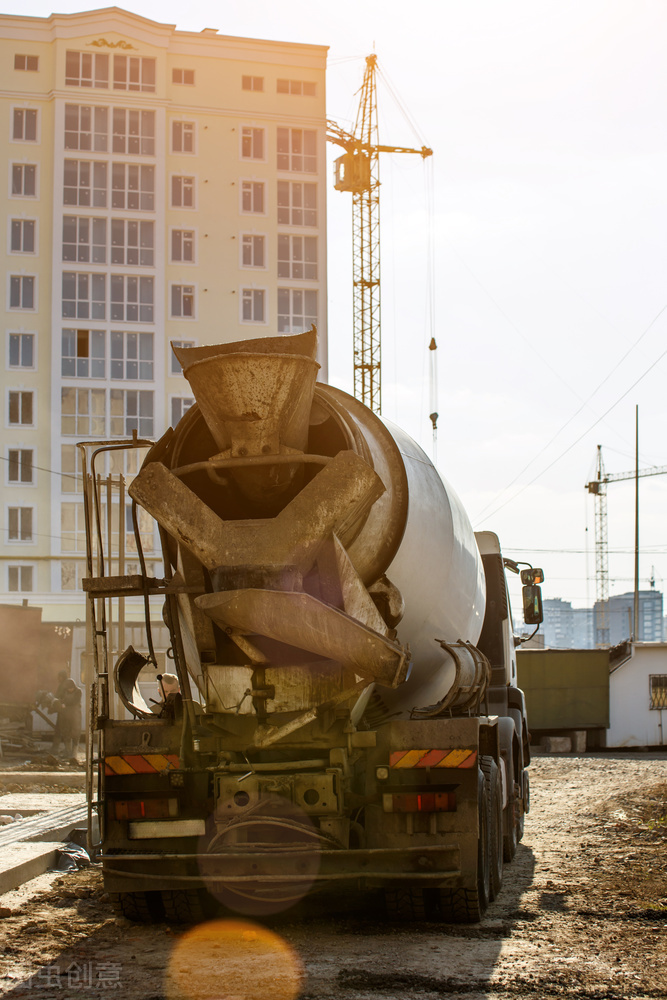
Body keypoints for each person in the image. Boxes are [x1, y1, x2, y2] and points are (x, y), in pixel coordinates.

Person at [51, 679, 82, 759]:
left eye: (71, 688)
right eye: (68, 688)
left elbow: (75, 701)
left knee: (75, 734)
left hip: (75, 715)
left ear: (74, 687)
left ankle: (74, 754)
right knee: (66, 733)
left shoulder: (78, 691)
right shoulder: (65, 691)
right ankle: (68, 752)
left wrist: (65, 704)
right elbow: (60, 699)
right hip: (66, 715)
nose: (69, 690)